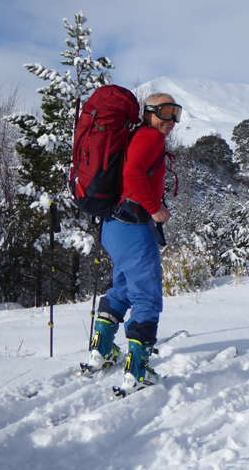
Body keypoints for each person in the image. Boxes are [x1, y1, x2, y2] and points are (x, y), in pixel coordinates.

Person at [83, 92, 181, 396]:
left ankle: (101, 352)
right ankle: (137, 372)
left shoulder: (137, 134)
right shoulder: (151, 137)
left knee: (123, 288)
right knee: (147, 298)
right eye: (164, 112)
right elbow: (132, 173)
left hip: (113, 227)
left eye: (176, 113)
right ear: (149, 112)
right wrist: (155, 208)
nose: (171, 120)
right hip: (134, 227)